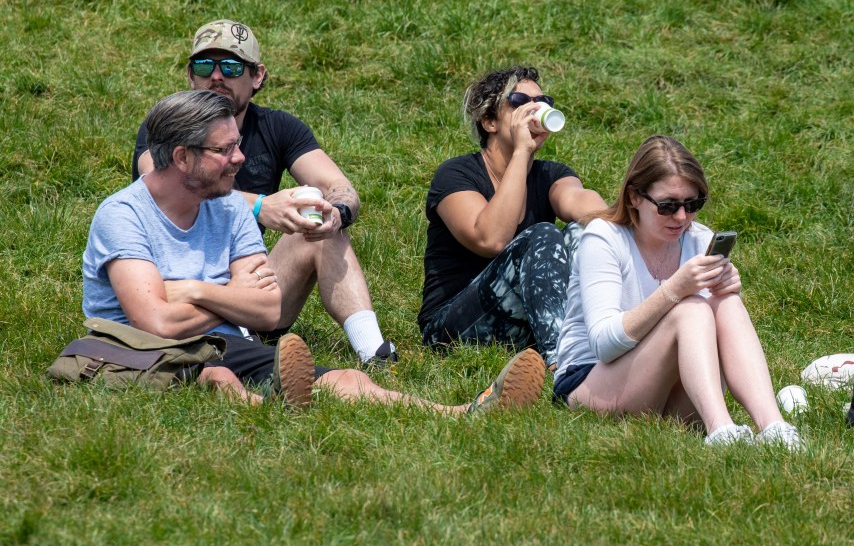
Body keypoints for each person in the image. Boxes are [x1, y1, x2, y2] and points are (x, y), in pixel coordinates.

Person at [94, 90, 546, 411]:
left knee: (338, 377)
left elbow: (269, 309)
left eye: (238, 144)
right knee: (323, 380)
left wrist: (192, 290)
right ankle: (460, 414)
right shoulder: (124, 215)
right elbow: (154, 322)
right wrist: (233, 294)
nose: (240, 159)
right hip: (152, 353)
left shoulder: (227, 204)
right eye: (225, 149)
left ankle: (459, 410)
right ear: (181, 157)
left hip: (222, 343)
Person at [132, 19, 397, 369]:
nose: (216, 76)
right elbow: (159, 178)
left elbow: (339, 187)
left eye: (230, 66)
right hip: (181, 296)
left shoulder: (279, 127)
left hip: (251, 290)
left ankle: (374, 351)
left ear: (257, 76)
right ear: (189, 75)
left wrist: (336, 213)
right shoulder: (163, 127)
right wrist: (259, 206)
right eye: (203, 65)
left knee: (319, 220)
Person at [553, 135, 803, 448]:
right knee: (691, 309)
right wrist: (674, 290)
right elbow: (603, 344)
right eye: (668, 206)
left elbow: (718, 337)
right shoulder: (603, 238)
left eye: (693, 204)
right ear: (634, 197)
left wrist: (726, 292)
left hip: (670, 390)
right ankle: (721, 431)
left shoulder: (700, 239)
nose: (682, 218)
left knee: (725, 303)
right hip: (592, 384)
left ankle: (775, 428)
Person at [419, 66, 607, 369]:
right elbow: (491, 239)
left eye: (543, 100)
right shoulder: (455, 174)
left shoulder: (552, 175)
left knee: (584, 233)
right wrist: (522, 151)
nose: (535, 109)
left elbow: (585, 205)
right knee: (543, 234)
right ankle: (567, 365)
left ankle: (603, 341)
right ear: (489, 121)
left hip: (523, 325)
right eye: (519, 101)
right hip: (452, 327)